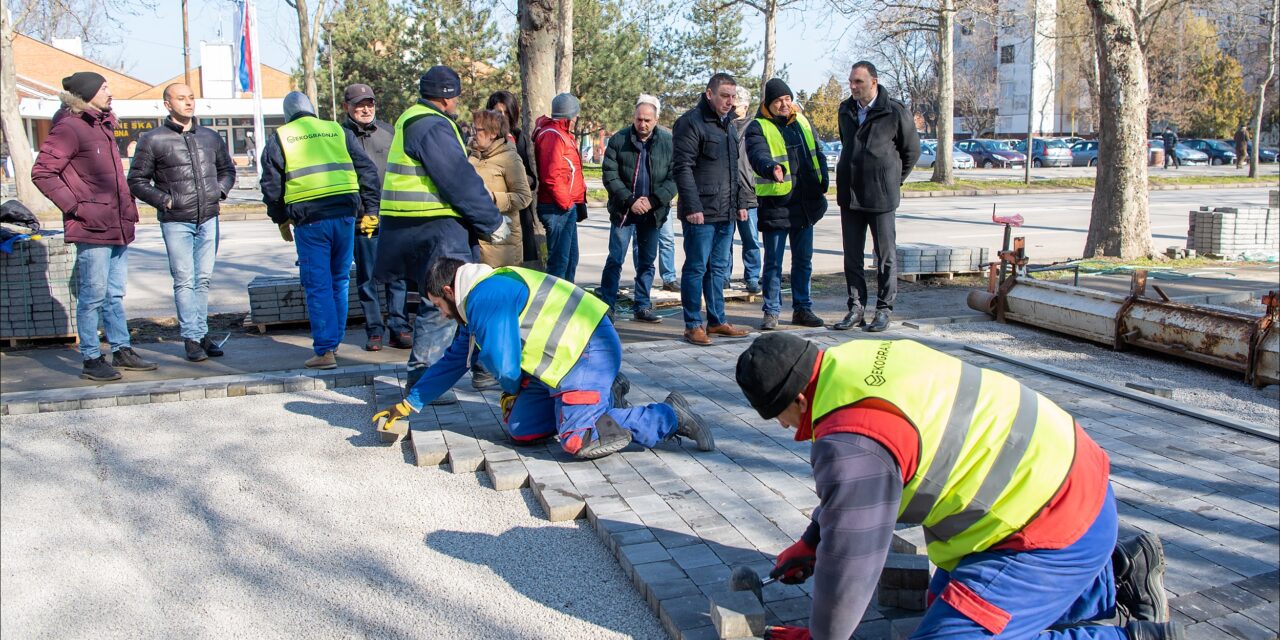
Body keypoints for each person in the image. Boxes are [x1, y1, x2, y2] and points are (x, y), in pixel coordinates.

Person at [735, 333, 1182, 640]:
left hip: (1050, 530)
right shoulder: (860, 359)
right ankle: (1117, 574)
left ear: (798, 399)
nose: (786, 426)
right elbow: (861, 486)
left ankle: (1132, 634)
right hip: (1077, 481)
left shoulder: (850, 443)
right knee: (939, 602)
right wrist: (813, 540)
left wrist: (822, 634)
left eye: (782, 417)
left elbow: (851, 559)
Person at [373, 257, 716, 460]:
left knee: (576, 440)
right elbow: (453, 362)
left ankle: (668, 416)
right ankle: (601, 397)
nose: (443, 315)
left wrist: (510, 390)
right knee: (520, 429)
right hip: (566, 363)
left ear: (449, 291)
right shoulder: (477, 301)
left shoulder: (484, 296)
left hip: (587, 354)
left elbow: (503, 363)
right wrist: (408, 405)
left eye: (438, 306)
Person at [375, 66, 507, 394]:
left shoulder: (413, 119)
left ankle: (478, 371)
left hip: (417, 228)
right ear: (448, 98)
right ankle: (425, 382)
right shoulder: (432, 125)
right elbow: (458, 180)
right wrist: (492, 221)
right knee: (445, 300)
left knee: (455, 298)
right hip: (436, 229)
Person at [33, 72, 158, 381]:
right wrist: (76, 207)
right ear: (87, 94)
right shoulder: (70, 127)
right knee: (93, 295)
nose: (110, 92)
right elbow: (42, 172)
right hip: (92, 227)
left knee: (114, 294)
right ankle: (91, 357)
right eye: (104, 88)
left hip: (116, 224)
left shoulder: (100, 125)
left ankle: (121, 349)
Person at [260, 91, 382, 370]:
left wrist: (279, 218)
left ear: (288, 113)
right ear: (312, 110)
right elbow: (367, 170)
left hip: (310, 219)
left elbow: (271, 185)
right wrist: (371, 210)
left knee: (318, 285)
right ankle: (333, 342)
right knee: (339, 280)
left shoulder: (282, 136)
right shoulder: (335, 130)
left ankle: (326, 350)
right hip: (345, 215)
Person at [127, 83, 237, 362]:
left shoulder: (210, 137)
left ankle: (201, 334)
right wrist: (165, 200)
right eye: (181, 98)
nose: (188, 103)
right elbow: (137, 181)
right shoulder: (153, 139)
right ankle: (190, 338)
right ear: (167, 104)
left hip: (208, 217)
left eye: (191, 98)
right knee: (185, 280)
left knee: (202, 280)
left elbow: (227, 170)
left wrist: (220, 190)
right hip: (177, 220)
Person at [833, 61, 920, 334]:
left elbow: (911, 151)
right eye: (851, 82)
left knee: (885, 256)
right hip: (850, 195)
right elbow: (848, 145)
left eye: (858, 82)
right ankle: (856, 308)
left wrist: (893, 180)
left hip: (881, 197)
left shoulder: (893, 110)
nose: (853, 87)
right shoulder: (845, 110)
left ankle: (883, 310)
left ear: (874, 81)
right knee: (852, 256)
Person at [671, 73, 754, 346]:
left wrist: (740, 203)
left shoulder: (729, 124)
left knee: (718, 269)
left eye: (733, 96)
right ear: (710, 94)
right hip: (701, 213)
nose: (730, 102)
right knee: (696, 267)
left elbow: (735, 168)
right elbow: (682, 168)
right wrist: (693, 207)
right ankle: (692, 324)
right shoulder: (690, 123)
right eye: (724, 96)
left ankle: (716, 321)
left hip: (726, 211)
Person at [744, 79, 828, 332]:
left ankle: (803, 308)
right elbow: (758, 155)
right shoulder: (758, 126)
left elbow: (818, 152)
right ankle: (771, 311)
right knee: (773, 262)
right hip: (777, 204)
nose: (784, 104)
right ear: (768, 104)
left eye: (787, 99)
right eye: (778, 101)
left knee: (804, 260)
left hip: (806, 203)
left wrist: (822, 178)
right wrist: (771, 168)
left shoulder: (802, 121)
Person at [341, 83, 412, 353]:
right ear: (347, 107)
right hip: (361, 218)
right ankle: (374, 330)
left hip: (392, 215)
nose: (365, 108)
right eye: (359, 104)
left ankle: (400, 326)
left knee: (398, 276)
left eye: (369, 103)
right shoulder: (340, 135)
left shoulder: (389, 132)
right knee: (368, 277)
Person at [599, 94, 676, 324]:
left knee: (646, 262)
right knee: (615, 259)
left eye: (647, 120)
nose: (642, 124)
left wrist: (653, 201)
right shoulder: (619, 140)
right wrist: (631, 200)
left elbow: (675, 177)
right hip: (624, 212)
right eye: (639, 119)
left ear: (656, 119)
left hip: (652, 213)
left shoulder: (668, 141)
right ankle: (607, 307)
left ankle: (642, 306)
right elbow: (610, 175)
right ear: (634, 117)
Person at [485, 90, 544, 268]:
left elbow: (532, 176)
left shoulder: (519, 138)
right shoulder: (484, 140)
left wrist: (526, 180)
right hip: (497, 211)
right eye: (497, 112)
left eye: (506, 112)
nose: (502, 116)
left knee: (521, 264)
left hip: (520, 210)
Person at [469, 109, 533, 269]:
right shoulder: (472, 156)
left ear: (493, 133)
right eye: (472, 129)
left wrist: (494, 199)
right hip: (474, 241)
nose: (473, 134)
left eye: (477, 130)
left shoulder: (510, 158)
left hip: (502, 246)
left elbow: (524, 197)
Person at [534, 93, 587, 282]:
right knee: (559, 265)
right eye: (575, 114)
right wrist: (567, 203)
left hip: (565, 207)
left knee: (570, 260)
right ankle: (555, 308)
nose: (577, 118)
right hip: (557, 208)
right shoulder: (552, 135)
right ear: (570, 115)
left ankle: (567, 305)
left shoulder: (561, 134)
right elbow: (551, 176)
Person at [730, 85, 762, 295]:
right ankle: (723, 276)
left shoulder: (754, 127)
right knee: (723, 242)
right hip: (727, 193)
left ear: (745, 105)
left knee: (750, 239)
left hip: (749, 193)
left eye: (736, 102)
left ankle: (752, 276)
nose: (732, 106)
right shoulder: (724, 125)